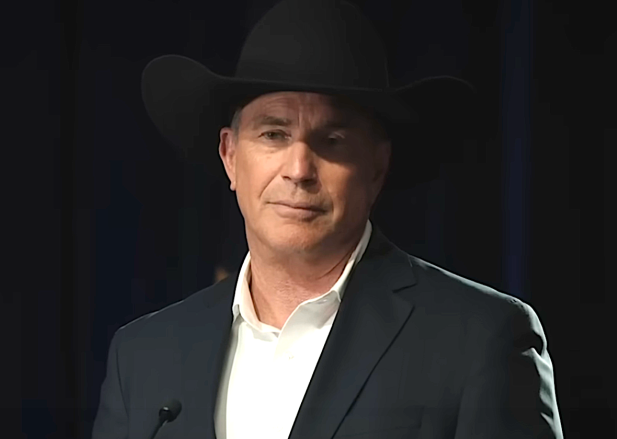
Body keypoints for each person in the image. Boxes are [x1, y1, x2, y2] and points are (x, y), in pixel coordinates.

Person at [92, 0, 564, 438]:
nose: (299, 169)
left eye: (332, 140)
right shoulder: (142, 357)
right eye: (274, 134)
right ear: (230, 156)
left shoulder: (481, 340)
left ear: (377, 167)